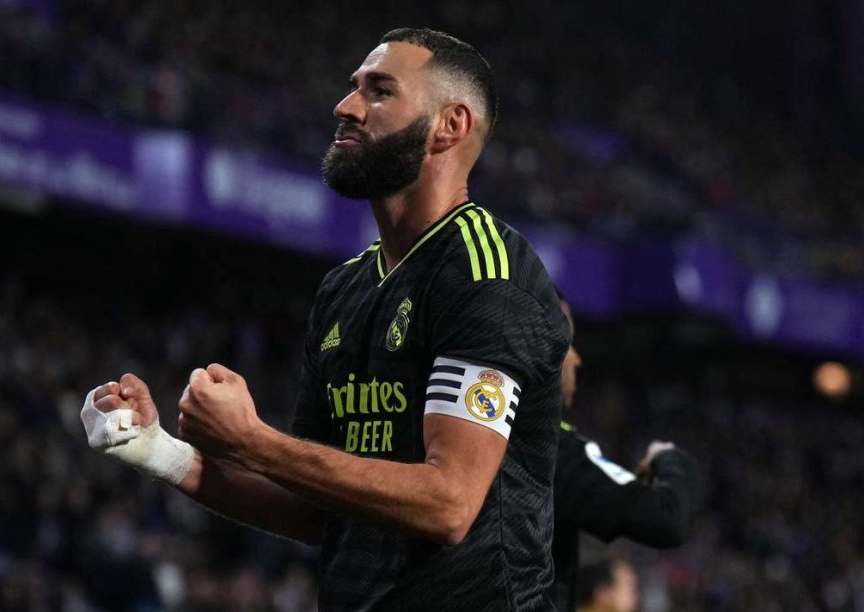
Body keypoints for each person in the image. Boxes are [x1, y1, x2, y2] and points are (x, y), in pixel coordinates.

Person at [80, 28, 569, 610]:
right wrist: (157, 451)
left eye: (379, 91)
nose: (345, 106)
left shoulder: (486, 274)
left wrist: (255, 441)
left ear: (449, 125)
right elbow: (316, 508)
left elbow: (449, 504)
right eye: (353, 87)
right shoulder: (344, 289)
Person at [552, 297, 699, 610]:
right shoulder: (554, 451)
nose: (576, 359)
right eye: (567, 344)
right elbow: (669, 515)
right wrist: (668, 457)